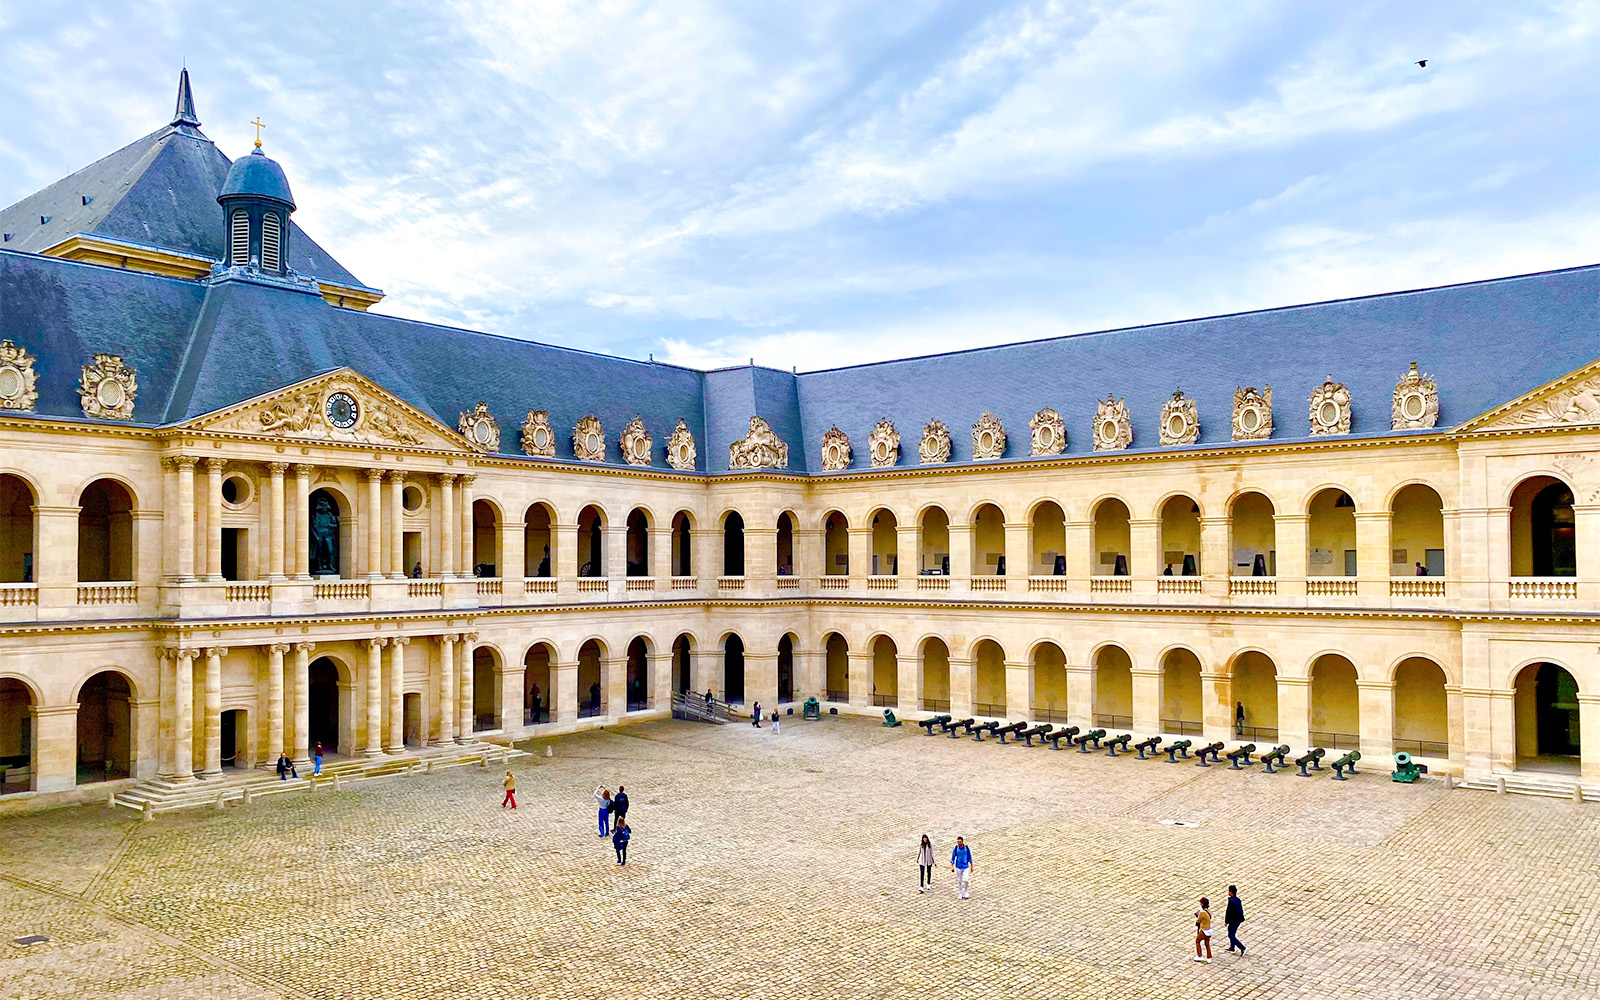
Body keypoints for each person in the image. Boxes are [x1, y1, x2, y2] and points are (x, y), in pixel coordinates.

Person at [949, 836, 974, 900]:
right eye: (958, 842)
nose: (959, 843)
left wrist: (971, 866)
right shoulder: (956, 848)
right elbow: (953, 857)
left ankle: (966, 892)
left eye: (960, 842)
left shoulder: (966, 848)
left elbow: (969, 857)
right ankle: (960, 893)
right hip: (958, 866)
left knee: (966, 879)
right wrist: (952, 866)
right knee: (959, 880)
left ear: (962, 842)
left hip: (965, 866)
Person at [1224, 885, 1246, 955]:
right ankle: (1232, 947)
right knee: (1231, 932)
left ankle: (1242, 947)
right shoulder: (1237, 900)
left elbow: (1229, 912)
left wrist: (1226, 921)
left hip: (1234, 921)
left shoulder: (1231, 901)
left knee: (1231, 935)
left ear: (1231, 892)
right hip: (1238, 919)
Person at [1194, 897, 1213, 962]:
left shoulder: (1202, 912)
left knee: (1197, 941)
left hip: (1204, 930)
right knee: (1207, 944)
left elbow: (1198, 921)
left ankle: (1199, 955)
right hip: (1209, 929)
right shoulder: (1208, 911)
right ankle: (1209, 957)